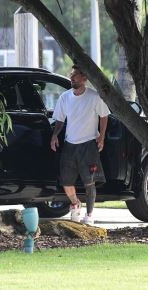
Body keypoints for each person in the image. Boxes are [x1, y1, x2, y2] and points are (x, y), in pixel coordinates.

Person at [50, 65, 110, 225]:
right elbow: (60, 120)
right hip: (70, 145)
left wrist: (101, 137)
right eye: (71, 74)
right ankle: (75, 203)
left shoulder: (94, 97)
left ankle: (89, 215)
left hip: (89, 145)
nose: (72, 77)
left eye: (75, 75)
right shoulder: (65, 97)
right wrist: (54, 136)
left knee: (89, 182)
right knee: (66, 181)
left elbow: (104, 117)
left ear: (84, 78)